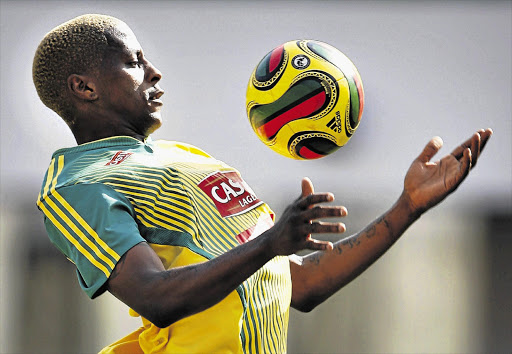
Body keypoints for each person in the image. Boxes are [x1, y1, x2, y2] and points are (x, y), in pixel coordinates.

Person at [33, 14, 492, 354]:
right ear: (84, 88)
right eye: (134, 63)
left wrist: (407, 206)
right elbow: (154, 297)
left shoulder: (186, 158)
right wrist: (271, 242)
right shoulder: (77, 183)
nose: (154, 72)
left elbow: (299, 283)